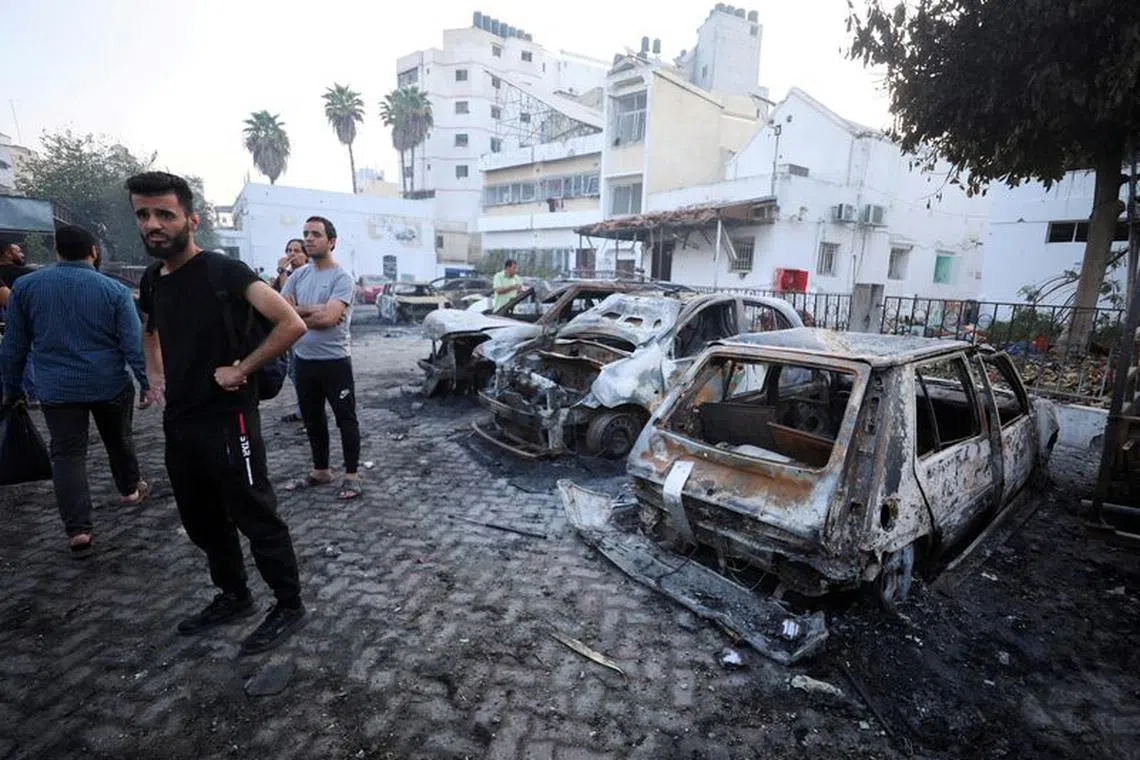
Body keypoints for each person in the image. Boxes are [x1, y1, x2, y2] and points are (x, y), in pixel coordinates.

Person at [129, 171, 309, 655]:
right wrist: (155, 376)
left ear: (191, 219)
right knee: (201, 518)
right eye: (143, 215)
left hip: (230, 419)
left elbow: (290, 323)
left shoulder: (222, 271)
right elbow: (150, 331)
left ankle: (289, 605)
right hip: (181, 422)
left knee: (256, 513)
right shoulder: (152, 279)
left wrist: (243, 367)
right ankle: (234, 595)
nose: (153, 225)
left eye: (164, 214)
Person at [0, 226, 151, 556]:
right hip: (109, 382)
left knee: (67, 455)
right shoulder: (113, 290)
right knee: (119, 439)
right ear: (93, 251)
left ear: (57, 251)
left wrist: (12, 389)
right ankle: (129, 489)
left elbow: (13, 347)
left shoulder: (26, 287)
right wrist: (145, 383)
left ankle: (79, 531)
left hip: (57, 388)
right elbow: (132, 343)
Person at [280, 216, 362, 501]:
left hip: (335, 362)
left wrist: (299, 313)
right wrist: (313, 311)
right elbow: (281, 312)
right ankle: (321, 470)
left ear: (332, 241)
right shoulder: (298, 276)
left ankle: (352, 475)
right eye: (306, 234)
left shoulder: (342, 278)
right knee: (313, 419)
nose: (309, 239)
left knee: (345, 419)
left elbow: (329, 319)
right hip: (304, 360)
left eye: (316, 234)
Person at [274, 239, 309, 423]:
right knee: (293, 371)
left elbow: (288, 302)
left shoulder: (308, 276)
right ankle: (304, 410)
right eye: (289, 250)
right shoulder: (286, 276)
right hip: (290, 334)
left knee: (302, 373)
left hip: (306, 333)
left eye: (297, 250)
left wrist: (282, 273)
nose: (291, 254)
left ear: (306, 255)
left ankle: (309, 411)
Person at [0, 242, 37, 402]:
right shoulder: (28, 274)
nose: (22, 255)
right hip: (16, 323)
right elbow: (9, 299)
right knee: (25, 355)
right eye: (18, 251)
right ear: (7, 254)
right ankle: (30, 394)